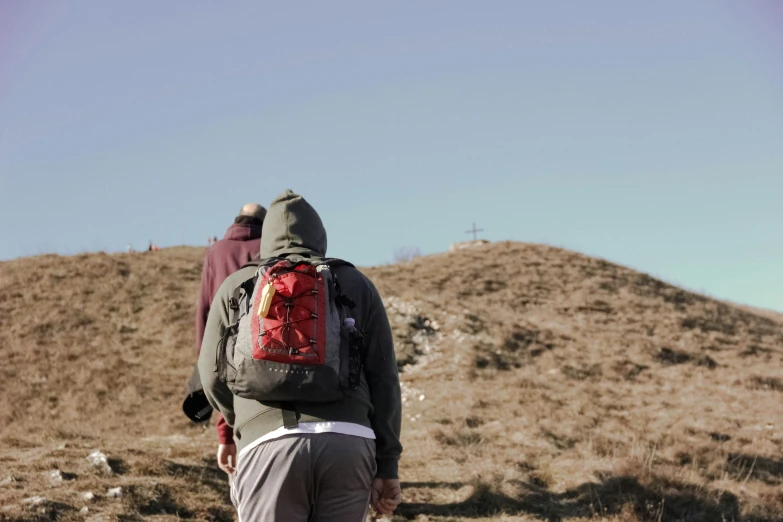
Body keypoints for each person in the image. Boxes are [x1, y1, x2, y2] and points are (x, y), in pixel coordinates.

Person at [198, 190, 402, 521]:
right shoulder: (354, 282)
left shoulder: (238, 285)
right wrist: (388, 463)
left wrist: (243, 422)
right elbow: (384, 377)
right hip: (348, 443)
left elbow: (210, 374)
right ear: (320, 235)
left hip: (267, 445)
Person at [186, 203, 267, 457]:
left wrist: (203, 351)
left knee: (227, 398)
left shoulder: (217, 250)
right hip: (262, 342)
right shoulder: (268, 246)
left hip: (222, 343)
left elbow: (205, 304)